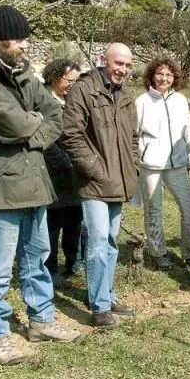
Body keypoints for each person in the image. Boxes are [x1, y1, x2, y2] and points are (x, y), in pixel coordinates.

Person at [0, 5, 80, 365]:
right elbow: (15, 125)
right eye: (19, 39)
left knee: (37, 258)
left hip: (34, 181)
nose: (25, 45)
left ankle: (41, 321)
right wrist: (31, 126)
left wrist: (34, 133)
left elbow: (56, 113)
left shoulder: (23, 72)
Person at [63, 43, 139, 328]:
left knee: (110, 242)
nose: (123, 70)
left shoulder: (128, 96)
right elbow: (70, 133)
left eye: (128, 65)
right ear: (103, 59)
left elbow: (133, 139)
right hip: (94, 182)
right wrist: (94, 168)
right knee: (96, 242)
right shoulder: (84, 89)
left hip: (119, 181)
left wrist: (133, 168)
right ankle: (99, 307)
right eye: (118, 63)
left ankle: (107, 294)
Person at [135, 57, 190, 269]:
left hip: (177, 164)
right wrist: (138, 159)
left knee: (189, 206)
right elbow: (134, 135)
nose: (164, 78)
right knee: (153, 210)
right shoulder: (141, 102)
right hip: (150, 165)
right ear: (151, 77)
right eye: (160, 74)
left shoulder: (180, 100)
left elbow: (187, 133)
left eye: (169, 74)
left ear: (175, 78)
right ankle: (158, 253)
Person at [41, 59, 84, 287]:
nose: (72, 86)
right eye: (70, 81)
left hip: (74, 173)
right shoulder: (42, 102)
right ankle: (50, 268)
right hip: (52, 174)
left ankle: (74, 263)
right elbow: (46, 142)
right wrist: (68, 163)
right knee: (52, 223)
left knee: (74, 220)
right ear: (56, 76)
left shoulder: (71, 102)